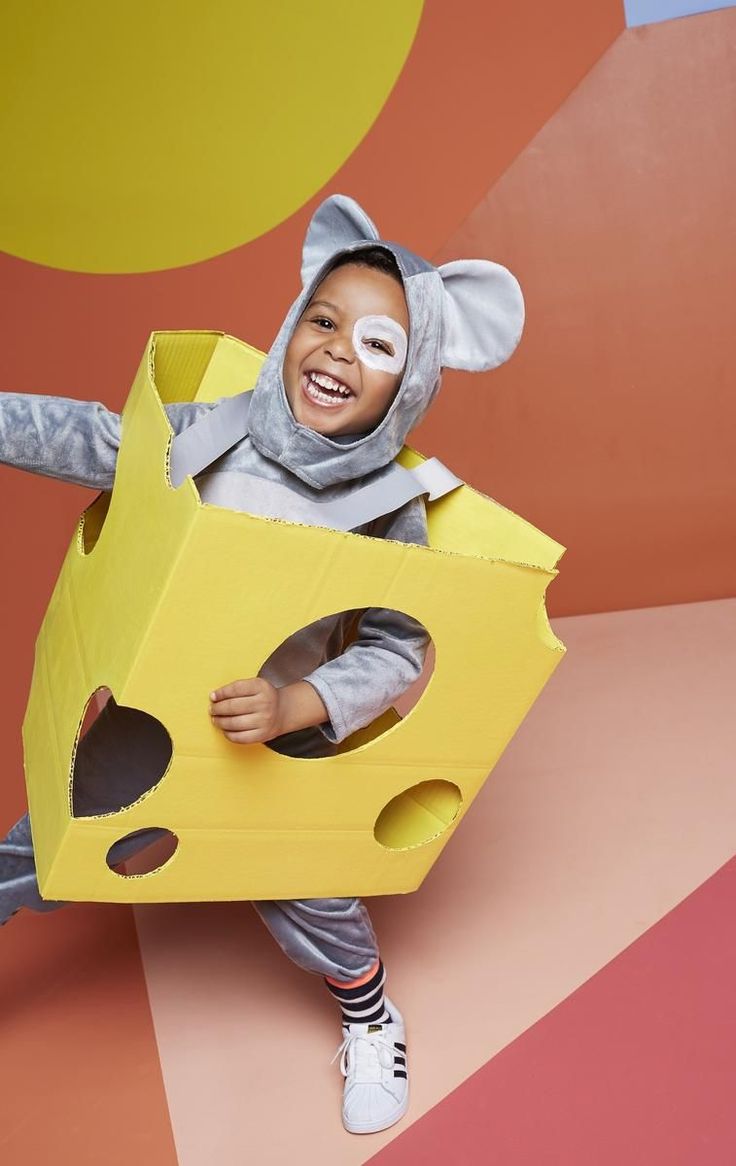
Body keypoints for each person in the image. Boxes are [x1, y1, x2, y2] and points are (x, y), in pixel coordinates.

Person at [0, 194, 524, 1134]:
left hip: (283, 738)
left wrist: (299, 704)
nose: (335, 350)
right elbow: (101, 441)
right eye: (324, 321)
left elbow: (401, 643)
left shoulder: (391, 506)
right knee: (49, 842)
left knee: (315, 895)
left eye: (378, 345)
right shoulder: (216, 431)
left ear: (413, 382)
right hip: (160, 711)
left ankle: (370, 1015)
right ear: (290, 324)